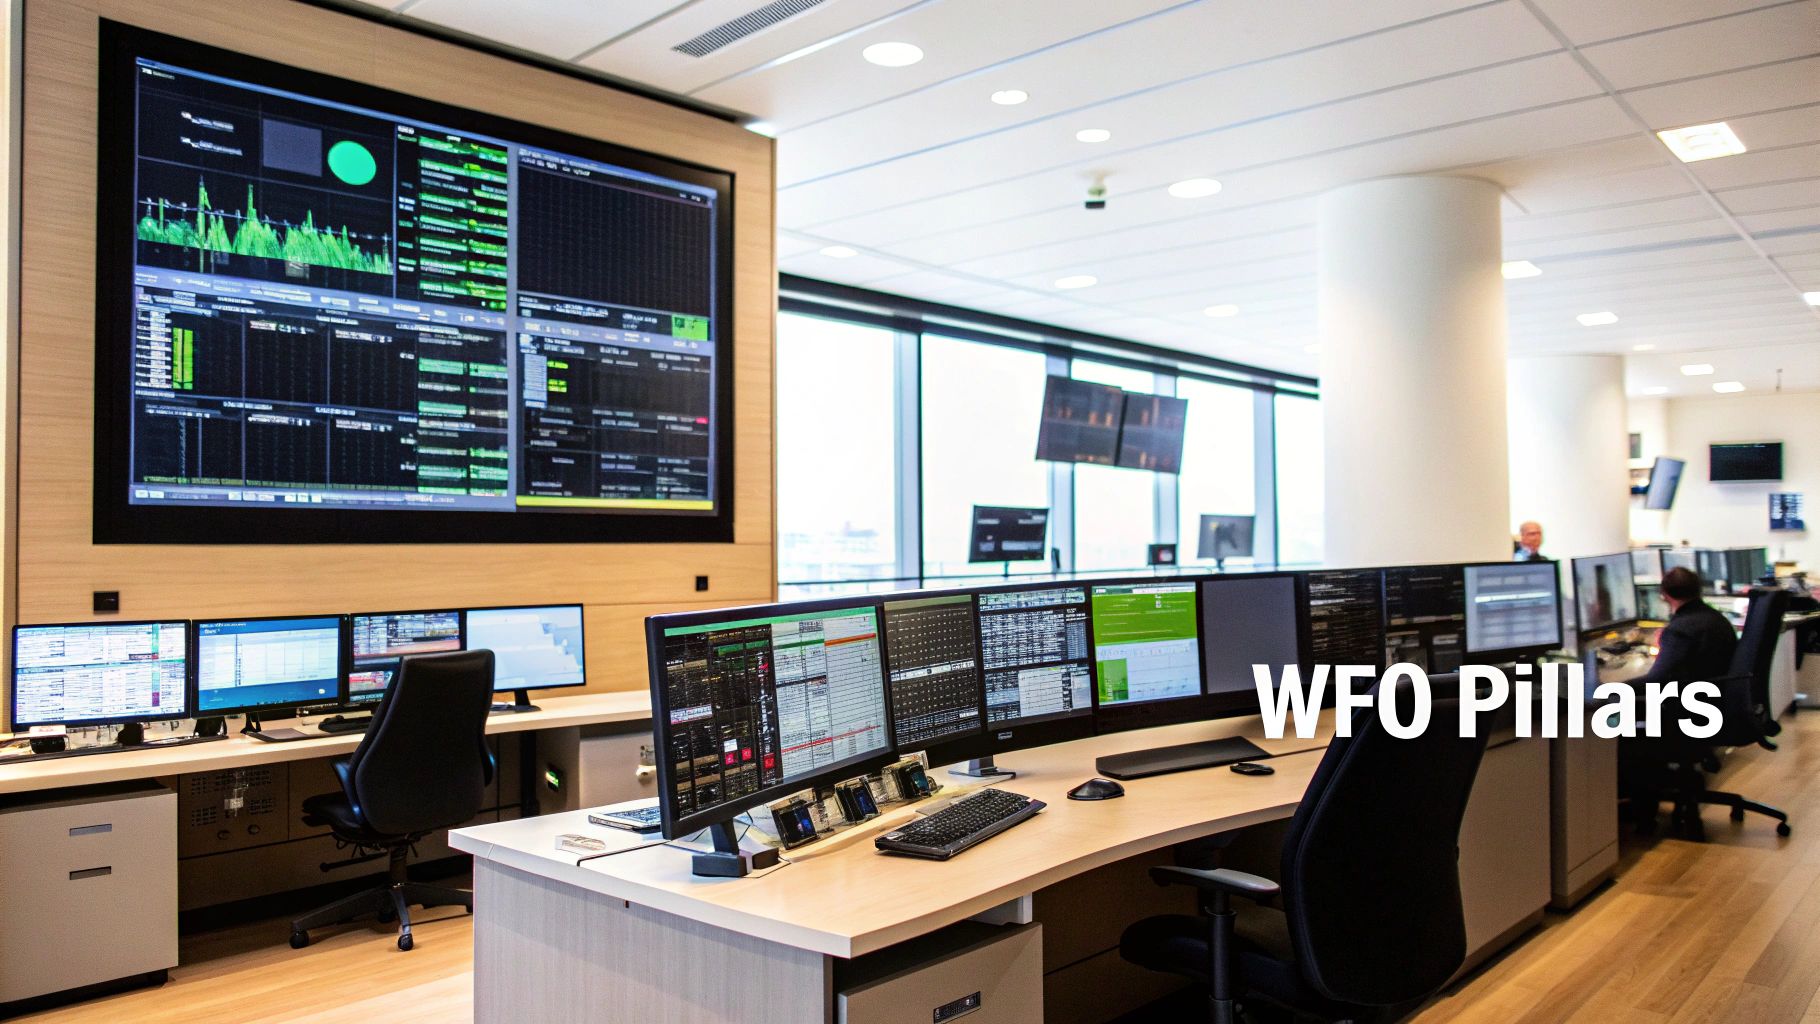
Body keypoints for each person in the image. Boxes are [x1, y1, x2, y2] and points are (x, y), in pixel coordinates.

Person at [1619, 566, 1738, 828]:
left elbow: (1656, 680)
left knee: (1623, 728)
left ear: (1664, 595)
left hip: (1690, 716)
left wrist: (1617, 688)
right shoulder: (1715, 620)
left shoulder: (1682, 629)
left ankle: (1643, 816)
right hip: (1714, 709)